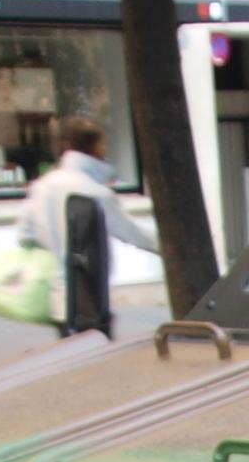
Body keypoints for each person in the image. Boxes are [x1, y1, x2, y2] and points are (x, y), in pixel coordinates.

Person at [16, 123, 158, 339]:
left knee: (71, 351)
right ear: (95, 146)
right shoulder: (95, 191)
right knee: (96, 350)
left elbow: (25, 235)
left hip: (55, 295)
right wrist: (173, 249)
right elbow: (133, 234)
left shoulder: (42, 186)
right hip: (88, 295)